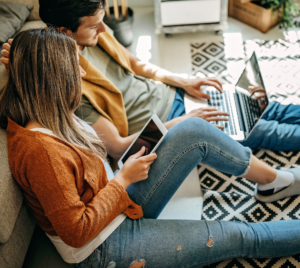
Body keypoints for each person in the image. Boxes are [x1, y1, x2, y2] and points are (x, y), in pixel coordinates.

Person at [2, 28, 300, 268]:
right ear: (52, 82)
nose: (81, 75)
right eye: (73, 70)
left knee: (193, 129)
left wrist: (18, 61)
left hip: (117, 200)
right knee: (240, 235)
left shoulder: (45, 108)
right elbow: (77, 232)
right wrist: (124, 180)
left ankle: (274, 182)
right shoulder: (40, 151)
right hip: (102, 244)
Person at [0, 0, 229, 160]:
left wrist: (183, 81)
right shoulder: (67, 81)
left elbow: (133, 63)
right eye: (93, 26)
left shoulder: (95, 32)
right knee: (254, 133)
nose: (103, 30)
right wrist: (182, 123)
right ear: (64, 31)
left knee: (239, 103)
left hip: (171, 94)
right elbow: (118, 148)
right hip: (165, 125)